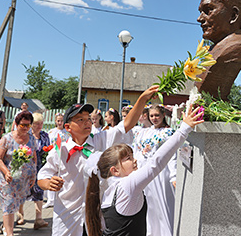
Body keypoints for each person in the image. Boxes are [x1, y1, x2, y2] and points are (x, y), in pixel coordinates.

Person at [38, 85, 158, 236]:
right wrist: (49, 183)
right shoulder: (59, 151)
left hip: (96, 215)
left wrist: (142, 99)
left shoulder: (101, 140)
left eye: (88, 118)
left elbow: (126, 125)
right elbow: (41, 177)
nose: (87, 122)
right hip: (67, 217)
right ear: (68, 127)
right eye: (80, 119)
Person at [85, 106, 204, 236]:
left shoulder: (108, 189)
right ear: (115, 170)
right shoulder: (127, 186)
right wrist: (183, 130)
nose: (135, 160)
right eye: (128, 159)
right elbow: (156, 162)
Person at [195, 0, 241, 100]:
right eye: (201, 12)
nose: (199, 18)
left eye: (208, 10)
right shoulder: (212, 50)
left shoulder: (236, 48)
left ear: (233, 15)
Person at [132, 104, 177, 236]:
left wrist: (173, 176)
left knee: (162, 206)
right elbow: (137, 151)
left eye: (157, 115)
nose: (154, 118)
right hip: (144, 173)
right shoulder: (143, 131)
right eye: (151, 115)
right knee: (148, 207)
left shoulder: (168, 132)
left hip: (160, 174)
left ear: (163, 115)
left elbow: (172, 155)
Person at [0, 111, 37, 236]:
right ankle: (9, 233)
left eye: (28, 125)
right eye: (23, 125)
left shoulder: (31, 139)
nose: (25, 128)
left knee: (16, 203)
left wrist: (33, 175)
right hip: (6, 178)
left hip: (22, 179)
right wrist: (7, 172)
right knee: (8, 203)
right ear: (16, 124)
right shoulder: (7, 138)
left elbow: (34, 158)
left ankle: (5, 225)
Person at [18, 113, 50, 230]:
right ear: (32, 125)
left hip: (40, 167)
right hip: (26, 167)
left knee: (39, 191)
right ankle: (20, 214)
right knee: (23, 190)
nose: (39, 126)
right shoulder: (26, 135)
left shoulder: (45, 135)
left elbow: (48, 149)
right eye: (37, 123)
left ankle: (39, 218)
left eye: (41, 123)